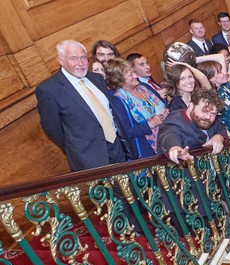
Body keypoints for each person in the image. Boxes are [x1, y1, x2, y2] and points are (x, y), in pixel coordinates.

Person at [37, 40, 129, 171]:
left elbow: (109, 112)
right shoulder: (49, 90)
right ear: (61, 60)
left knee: (129, 188)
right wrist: (79, 148)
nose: (80, 64)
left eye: (83, 58)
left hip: (118, 148)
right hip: (90, 159)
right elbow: (53, 129)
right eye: (73, 59)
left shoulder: (97, 79)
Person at [106, 57, 168, 159]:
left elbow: (164, 104)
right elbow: (126, 132)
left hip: (168, 136)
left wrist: (166, 111)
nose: (136, 76)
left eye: (134, 72)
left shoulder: (143, 87)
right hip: (149, 149)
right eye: (130, 75)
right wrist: (151, 124)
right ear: (119, 79)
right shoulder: (118, 101)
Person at [157, 89, 228, 163]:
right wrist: (174, 148)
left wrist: (219, 137)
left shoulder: (207, 120)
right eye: (203, 111)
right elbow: (168, 135)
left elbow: (220, 128)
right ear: (191, 106)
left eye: (213, 113)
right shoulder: (174, 121)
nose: (208, 117)